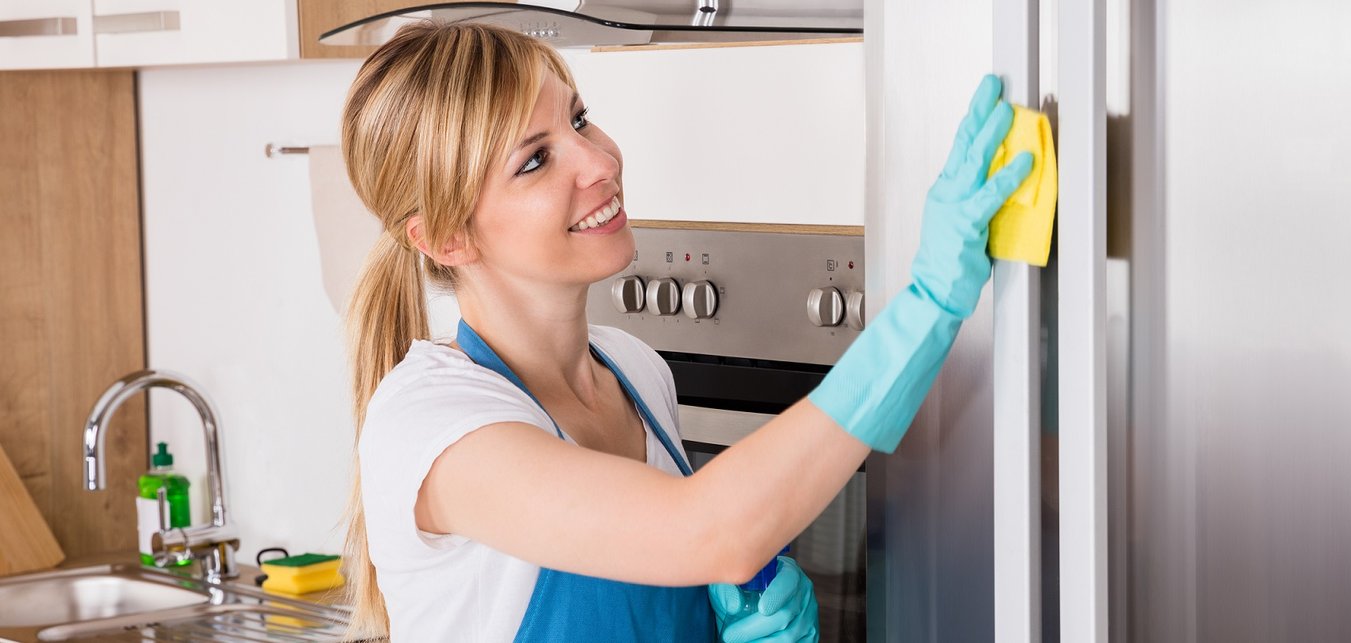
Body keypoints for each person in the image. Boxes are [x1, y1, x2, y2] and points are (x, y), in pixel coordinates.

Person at [340, 21, 1032, 642]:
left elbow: (700, 544)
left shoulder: (637, 369)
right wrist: (931, 302)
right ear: (448, 238)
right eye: (535, 159)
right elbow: (706, 527)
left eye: (580, 120)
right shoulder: (431, 426)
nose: (600, 163)